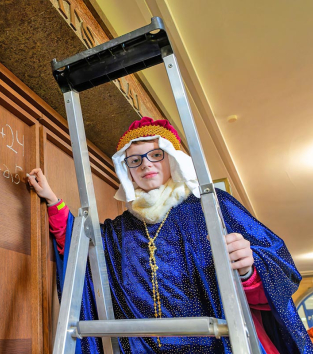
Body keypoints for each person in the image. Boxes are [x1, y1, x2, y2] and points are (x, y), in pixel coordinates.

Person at [27, 117, 313, 353]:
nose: (146, 165)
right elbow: (82, 247)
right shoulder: (120, 230)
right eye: (135, 160)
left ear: (173, 159)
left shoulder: (213, 207)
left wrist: (249, 267)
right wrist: (53, 201)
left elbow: (277, 272)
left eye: (155, 154)